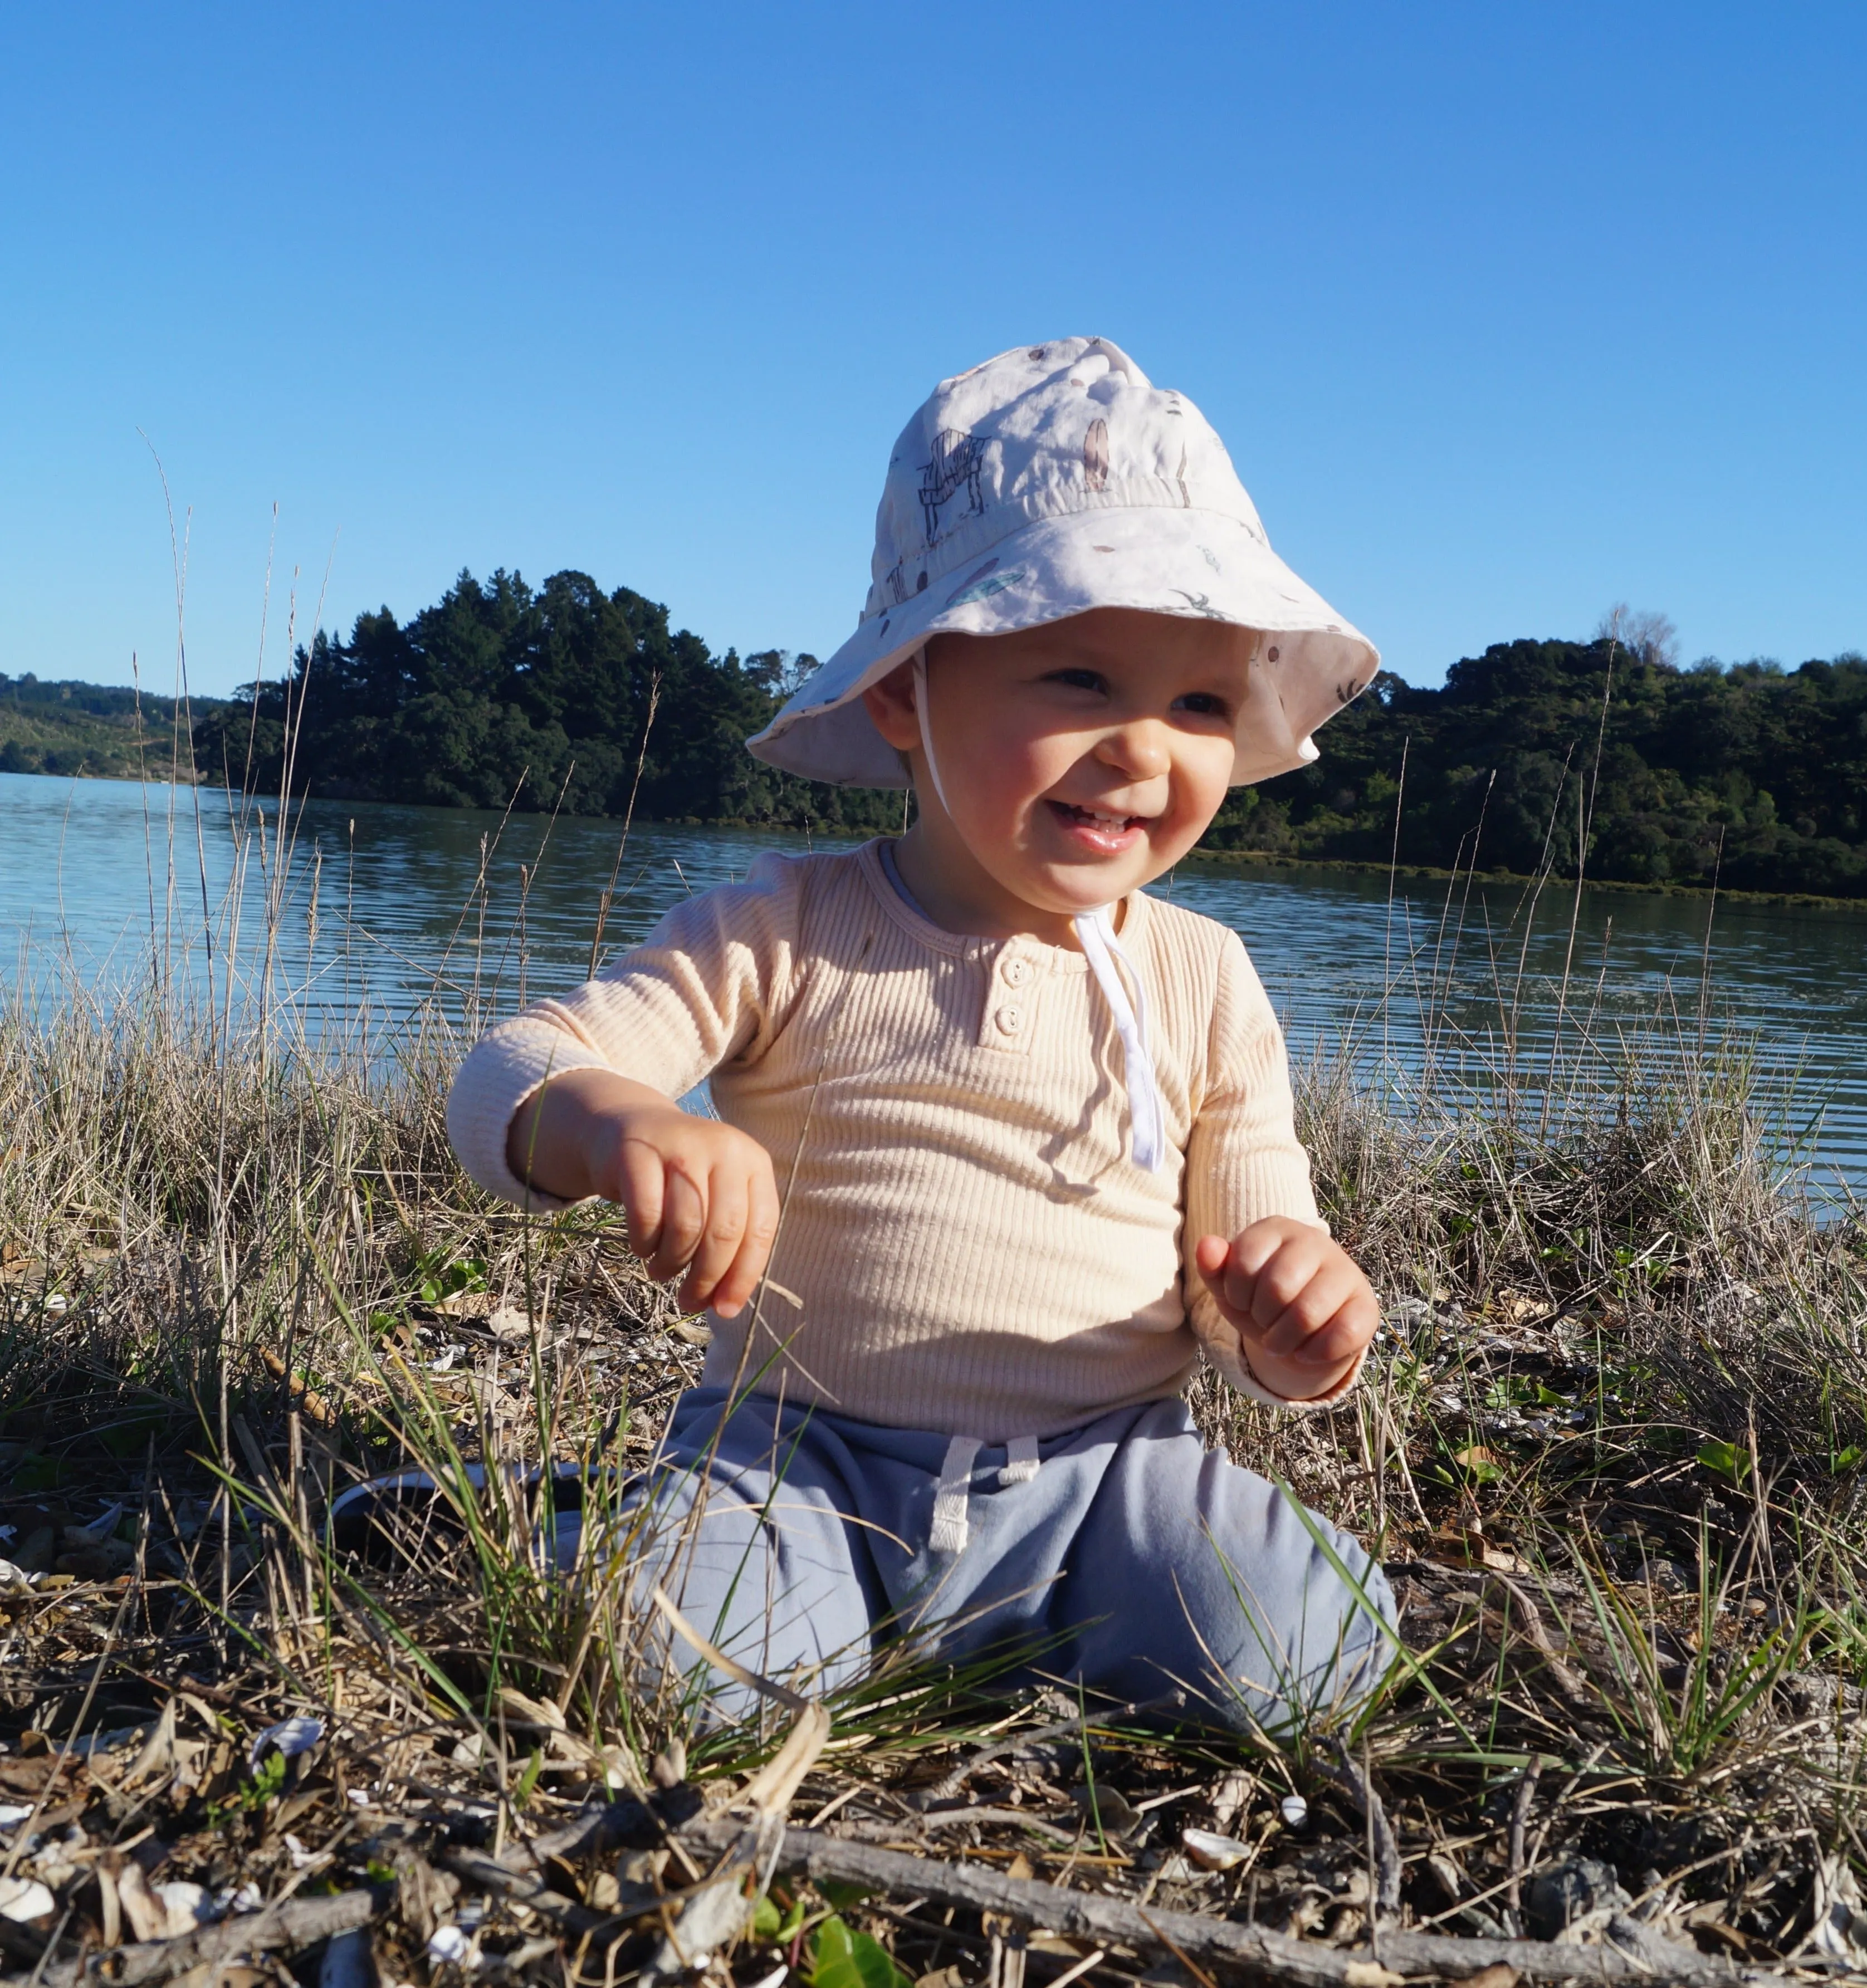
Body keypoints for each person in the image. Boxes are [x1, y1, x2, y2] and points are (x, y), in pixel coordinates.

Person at [443, 336, 1398, 1733]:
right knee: (666, 1679)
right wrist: (615, 1120)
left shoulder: (1207, 978)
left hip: (1106, 1476)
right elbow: (502, 1079)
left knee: (1312, 1650)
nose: (1147, 749)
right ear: (905, 692)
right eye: (1079, 678)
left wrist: (1294, 1322)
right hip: (798, 1459)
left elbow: (1241, 1268)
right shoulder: (784, 925)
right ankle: (619, 1535)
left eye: (1200, 702)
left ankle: (1020, 1622)